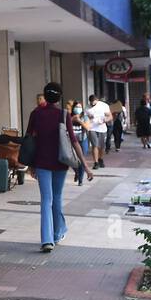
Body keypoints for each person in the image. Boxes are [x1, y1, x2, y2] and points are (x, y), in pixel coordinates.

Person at [26, 82, 92, 252]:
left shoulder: (36, 114)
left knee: (46, 200)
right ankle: (57, 234)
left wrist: (30, 165)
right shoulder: (63, 115)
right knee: (57, 198)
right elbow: (74, 141)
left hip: (41, 162)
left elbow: (29, 140)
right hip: (61, 163)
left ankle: (47, 240)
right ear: (59, 98)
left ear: (44, 95)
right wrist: (85, 165)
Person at [67, 100, 90, 185]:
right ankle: (76, 171)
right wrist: (72, 119)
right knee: (70, 159)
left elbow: (87, 128)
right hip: (71, 140)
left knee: (81, 159)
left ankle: (80, 180)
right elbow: (65, 126)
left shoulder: (85, 117)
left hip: (82, 140)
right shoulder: (69, 116)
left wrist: (80, 121)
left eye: (80, 107)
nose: (78, 109)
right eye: (76, 107)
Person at [87, 94, 111, 168]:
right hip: (92, 128)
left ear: (97, 100)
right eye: (91, 103)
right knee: (95, 145)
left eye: (93, 103)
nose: (92, 104)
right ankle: (96, 162)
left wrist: (104, 120)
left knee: (101, 146)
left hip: (102, 128)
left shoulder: (104, 106)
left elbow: (110, 116)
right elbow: (86, 118)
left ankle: (100, 159)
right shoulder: (87, 108)